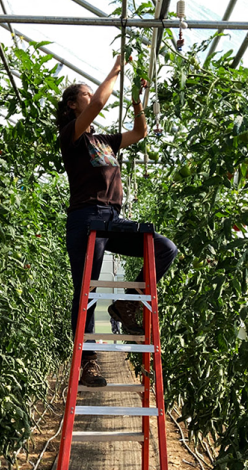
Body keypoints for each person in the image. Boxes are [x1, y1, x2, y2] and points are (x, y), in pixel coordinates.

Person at [56, 54, 178, 387]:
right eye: (82, 92)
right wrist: (115, 70)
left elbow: (139, 132)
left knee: (165, 249)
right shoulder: (71, 136)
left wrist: (137, 101)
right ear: (71, 105)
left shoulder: (104, 141)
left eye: (87, 91)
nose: (88, 95)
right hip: (85, 218)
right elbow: (97, 103)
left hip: (112, 217)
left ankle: (124, 306)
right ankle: (88, 364)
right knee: (85, 292)